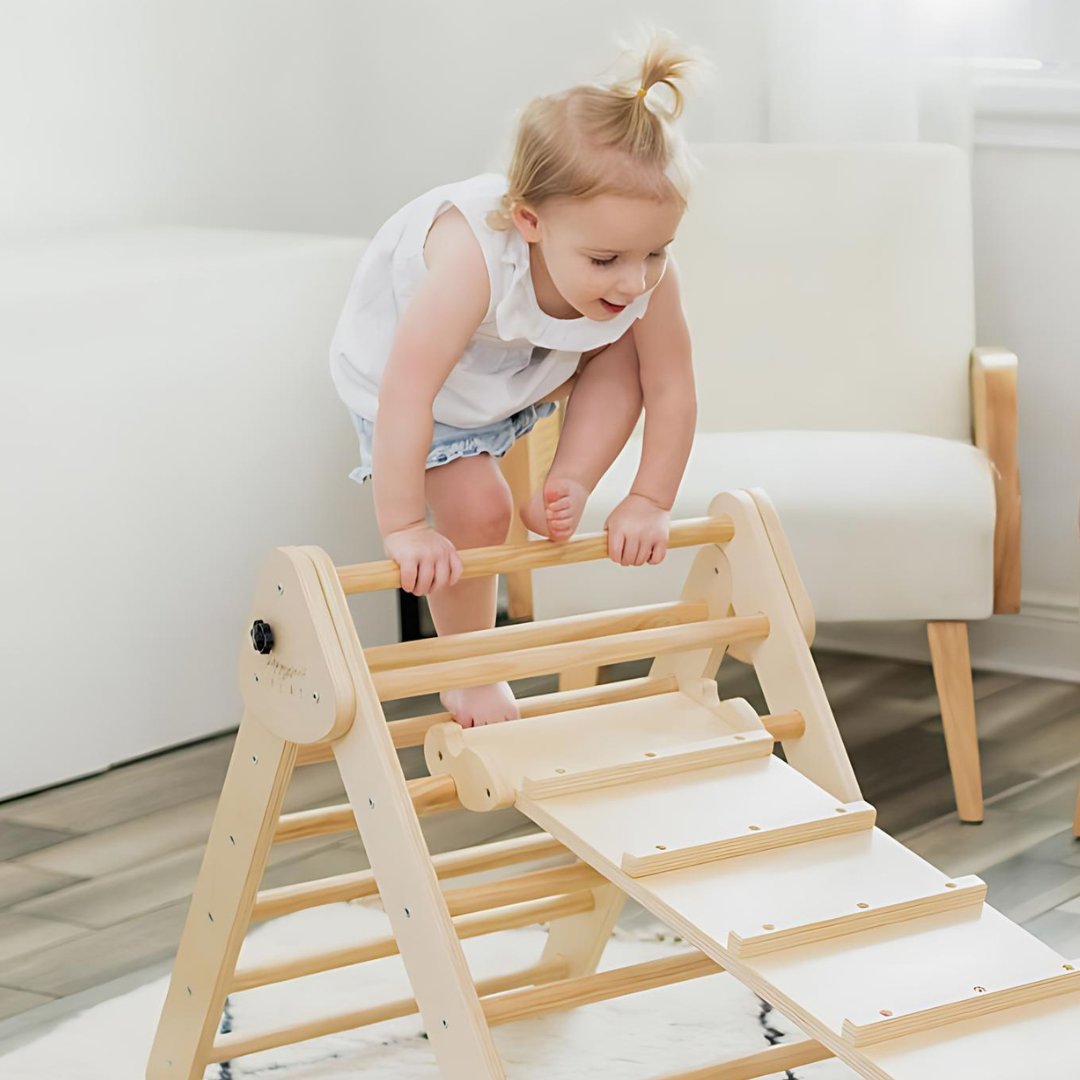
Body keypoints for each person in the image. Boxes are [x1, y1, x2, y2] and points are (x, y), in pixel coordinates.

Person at [329, 28, 700, 728]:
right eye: (608, 259)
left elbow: (672, 384)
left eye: (656, 252)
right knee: (480, 510)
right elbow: (408, 390)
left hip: (520, 361)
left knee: (624, 350)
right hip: (419, 385)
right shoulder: (472, 259)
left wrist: (649, 498)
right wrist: (405, 526)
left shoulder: (636, 271)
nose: (635, 278)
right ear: (529, 221)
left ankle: (568, 479)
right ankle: (470, 670)